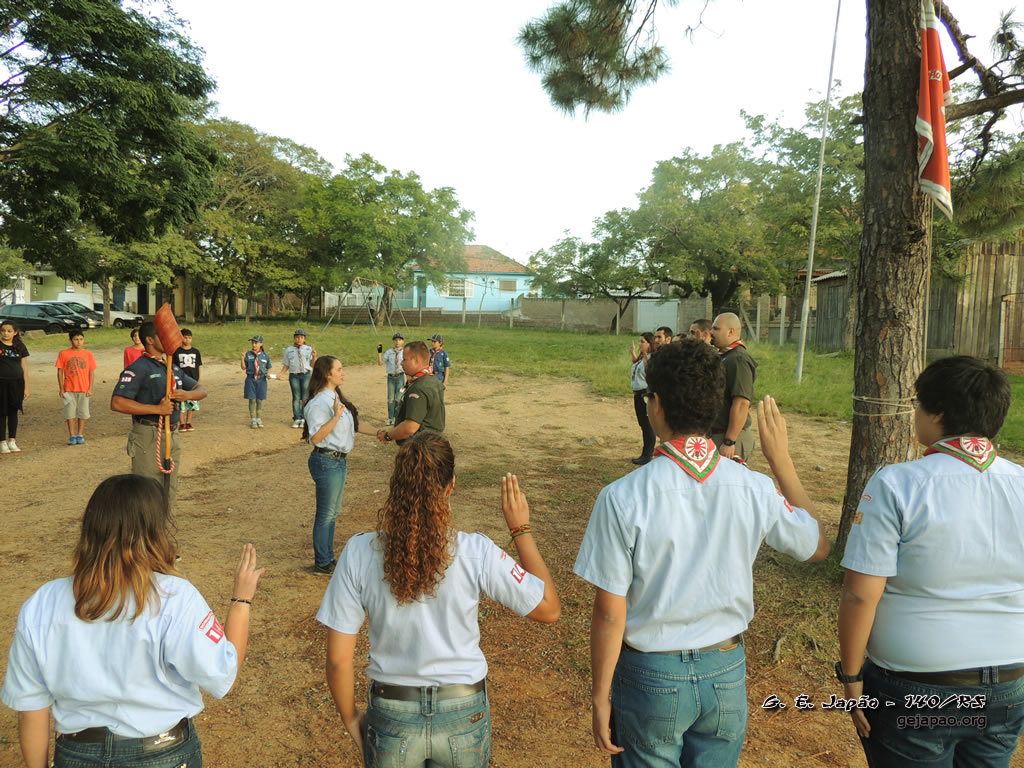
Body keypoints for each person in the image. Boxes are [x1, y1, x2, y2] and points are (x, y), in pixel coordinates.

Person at [574, 338, 828, 767]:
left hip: (652, 675)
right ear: (715, 403)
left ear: (656, 405)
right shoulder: (753, 486)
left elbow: (610, 611)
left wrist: (600, 696)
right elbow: (817, 546)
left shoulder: (622, 496)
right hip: (725, 671)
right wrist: (781, 461)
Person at [317, 433, 560, 768]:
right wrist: (521, 530)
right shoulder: (476, 552)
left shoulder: (359, 552)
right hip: (463, 711)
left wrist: (350, 717)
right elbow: (548, 608)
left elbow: (337, 660)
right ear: (451, 486)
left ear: (396, 486)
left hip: (391, 712)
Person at [1, 474, 264, 768]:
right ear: (155, 532)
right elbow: (222, 674)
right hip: (163, 752)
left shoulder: (41, 603)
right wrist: (241, 601)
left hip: (78, 753)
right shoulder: (175, 597)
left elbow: (31, 707)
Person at [838, 355, 1024, 768]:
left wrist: (850, 677)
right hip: (1008, 682)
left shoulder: (897, 483)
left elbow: (860, 595)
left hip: (918, 685)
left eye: (917, 405)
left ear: (937, 413)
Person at [111, 320, 207, 511]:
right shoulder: (139, 368)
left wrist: (186, 395)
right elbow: (117, 402)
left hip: (172, 433)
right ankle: (146, 527)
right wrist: (157, 409)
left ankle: (164, 525)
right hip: (148, 435)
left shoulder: (170, 366)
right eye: (163, 336)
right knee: (147, 488)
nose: (169, 339)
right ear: (150, 340)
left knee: (169, 487)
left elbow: (201, 390)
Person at [302, 356, 378, 575]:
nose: (343, 373)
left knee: (332, 513)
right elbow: (316, 437)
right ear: (328, 374)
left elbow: (354, 425)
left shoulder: (335, 396)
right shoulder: (319, 403)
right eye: (339, 369)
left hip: (337, 461)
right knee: (326, 514)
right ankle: (322, 562)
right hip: (327, 461)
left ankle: (327, 559)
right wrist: (335, 417)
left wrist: (381, 433)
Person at [377, 341, 444, 446]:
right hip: (432, 443)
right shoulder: (433, 381)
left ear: (416, 360)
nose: (401, 363)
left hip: (419, 446)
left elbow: (410, 427)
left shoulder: (419, 388)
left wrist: (388, 436)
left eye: (404, 359)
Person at [710, 312, 757, 461]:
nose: (711, 332)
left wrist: (729, 441)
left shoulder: (738, 359)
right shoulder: (726, 356)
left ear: (731, 332)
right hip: (718, 434)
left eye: (716, 329)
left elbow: (742, 403)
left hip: (728, 437)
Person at [55, 331, 97, 445]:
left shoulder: (88, 354)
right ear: (70, 340)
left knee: (83, 412)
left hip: (84, 389)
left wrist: (90, 388)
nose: (79, 342)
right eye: (76, 339)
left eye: (81, 339)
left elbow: (91, 372)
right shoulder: (64, 354)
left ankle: (80, 434)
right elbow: (60, 372)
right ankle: (72, 435)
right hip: (69, 389)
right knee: (70, 413)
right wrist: (61, 389)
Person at [0, 319, 29, 454]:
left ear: (15, 332)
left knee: (13, 411)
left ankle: (12, 439)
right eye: (3, 331)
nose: (6, 333)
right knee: (2, 412)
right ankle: (2, 441)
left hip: (16, 383)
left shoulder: (20, 347)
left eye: (9, 331)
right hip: (1, 383)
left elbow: (24, 367)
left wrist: (26, 387)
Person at [279, 328, 316, 429]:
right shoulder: (289, 350)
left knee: (305, 397)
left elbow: (312, 365)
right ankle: (297, 418)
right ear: (294, 338)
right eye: (297, 337)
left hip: (306, 375)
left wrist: (314, 356)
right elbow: (286, 364)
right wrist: (281, 374)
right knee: (296, 397)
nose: (299, 339)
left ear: (304, 339)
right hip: (294, 376)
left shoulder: (308, 349)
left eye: (301, 337)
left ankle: (304, 418)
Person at [629, 332, 655, 466]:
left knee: (647, 425)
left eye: (643, 341)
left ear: (650, 344)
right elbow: (635, 364)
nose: (640, 344)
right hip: (638, 394)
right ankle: (646, 453)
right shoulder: (641, 357)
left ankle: (647, 454)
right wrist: (633, 352)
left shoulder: (651, 358)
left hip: (645, 394)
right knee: (643, 424)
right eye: (639, 341)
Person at [172, 329, 202, 433]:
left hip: (193, 380)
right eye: (185, 337)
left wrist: (199, 379)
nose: (187, 340)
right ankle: (182, 423)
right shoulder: (176, 352)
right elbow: (173, 367)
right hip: (180, 381)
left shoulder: (196, 351)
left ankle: (188, 422)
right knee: (181, 403)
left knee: (191, 403)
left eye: (189, 338)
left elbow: (198, 366)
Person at [241, 335, 272, 429]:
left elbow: (269, 367)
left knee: (259, 400)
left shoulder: (265, 355)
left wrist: (268, 374)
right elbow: (243, 367)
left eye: (256, 343)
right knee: (252, 399)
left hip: (261, 379)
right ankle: (253, 419)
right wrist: (242, 358)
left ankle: (259, 418)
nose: (254, 345)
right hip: (250, 379)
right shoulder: (248, 354)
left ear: (261, 344)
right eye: (252, 343)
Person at [377, 332, 405, 426]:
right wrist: (380, 352)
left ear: (403, 341)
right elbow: (380, 363)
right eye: (396, 340)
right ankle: (390, 418)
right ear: (393, 341)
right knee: (390, 399)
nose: (397, 342)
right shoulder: (389, 352)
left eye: (400, 340)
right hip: (391, 378)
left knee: (399, 398)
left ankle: (397, 418)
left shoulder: (404, 352)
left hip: (400, 377)